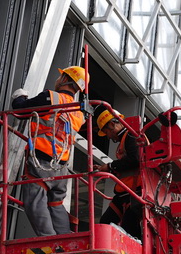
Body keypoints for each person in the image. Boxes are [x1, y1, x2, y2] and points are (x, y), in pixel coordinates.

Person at [11, 66, 88, 236]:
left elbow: (21, 109)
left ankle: (49, 240)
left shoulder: (51, 97)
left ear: (66, 79)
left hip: (42, 159)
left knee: (35, 200)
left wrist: (19, 96)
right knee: (55, 203)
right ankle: (64, 239)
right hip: (61, 165)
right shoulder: (79, 113)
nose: (57, 79)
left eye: (61, 76)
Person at [92, 105, 143, 238]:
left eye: (106, 131)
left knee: (129, 228)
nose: (108, 136)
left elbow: (135, 159)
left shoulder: (131, 135)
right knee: (106, 222)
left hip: (135, 192)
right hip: (125, 193)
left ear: (112, 124)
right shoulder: (126, 139)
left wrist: (110, 167)